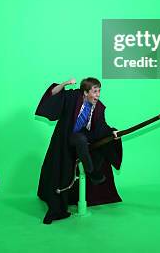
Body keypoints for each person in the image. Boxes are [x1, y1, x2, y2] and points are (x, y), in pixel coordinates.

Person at [36, 76, 122, 224]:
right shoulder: (73, 96)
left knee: (88, 138)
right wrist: (64, 84)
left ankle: (92, 171)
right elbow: (54, 93)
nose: (98, 95)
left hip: (83, 137)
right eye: (95, 91)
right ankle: (58, 209)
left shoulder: (98, 107)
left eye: (99, 91)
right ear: (85, 92)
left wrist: (111, 132)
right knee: (61, 168)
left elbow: (101, 126)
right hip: (66, 137)